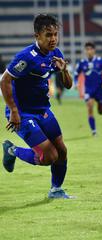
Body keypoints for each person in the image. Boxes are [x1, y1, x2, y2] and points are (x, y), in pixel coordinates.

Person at [0, 14, 73, 198]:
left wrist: (64, 71)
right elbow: (5, 80)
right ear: (37, 36)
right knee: (49, 157)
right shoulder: (27, 57)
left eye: (55, 34)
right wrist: (14, 111)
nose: (53, 39)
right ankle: (12, 150)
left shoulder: (56, 53)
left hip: (42, 110)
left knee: (62, 151)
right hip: (22, 113)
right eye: (48, 35)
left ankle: (56, 190)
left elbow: (68, 85)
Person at [74, 42, 102, 136]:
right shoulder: (82, 63)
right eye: (87, 49)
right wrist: (76, 83)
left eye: (90, 49)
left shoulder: (100, 61)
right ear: (85, 51)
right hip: (88, 90)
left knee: (100, 111)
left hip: (99, 89)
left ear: (94, 50)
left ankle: (100, 104)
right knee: (90, 107)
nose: (89, 51)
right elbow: (76, 74)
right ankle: (94, 131)